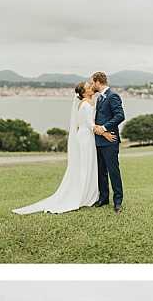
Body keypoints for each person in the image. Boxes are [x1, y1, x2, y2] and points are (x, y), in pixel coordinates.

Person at [13, 81, 99, 214]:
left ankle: (87, 192)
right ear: (83, 92)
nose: (91, 88)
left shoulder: (84, 103)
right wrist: (103, 131)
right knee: (86, 165)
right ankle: (86, 195)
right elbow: (90, 124)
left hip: (83, 135)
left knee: (86, 165)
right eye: (88, 87)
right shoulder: (86, 104)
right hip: (87, 136)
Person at [91, 72, 125, 213]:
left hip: (110, 141)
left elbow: (120, 116)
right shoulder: (99, 98)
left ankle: (118, 201)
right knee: (101, 172)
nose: (92, 85)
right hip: (98, 141)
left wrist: (104, 128)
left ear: (98, 82)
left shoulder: (113, 96)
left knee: (113, 171)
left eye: (93, 82)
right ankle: (103, 198)